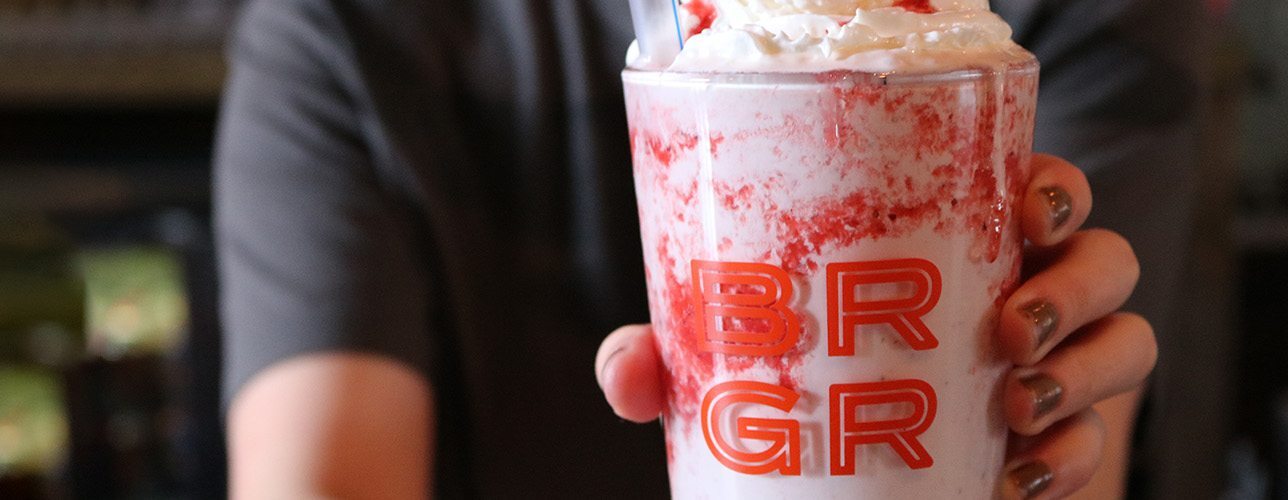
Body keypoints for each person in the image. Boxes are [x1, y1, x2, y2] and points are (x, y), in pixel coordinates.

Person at [215, 0, 1198, 498]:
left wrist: (1034, 438)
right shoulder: (346, 29)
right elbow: (320, 474)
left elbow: (1072, 435)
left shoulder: (1053, 23)